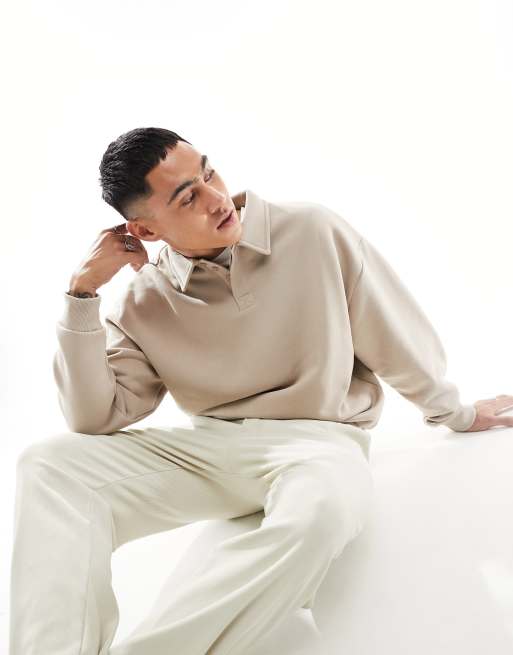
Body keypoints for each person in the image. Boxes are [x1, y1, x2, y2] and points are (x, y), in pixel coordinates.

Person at [9, 127, 513, 655]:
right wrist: (82, 294)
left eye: (208, 172)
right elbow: (94, 417)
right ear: (146, 230)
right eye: (188, 197)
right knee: (49, 466)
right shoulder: (144, 300)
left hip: (319, 441)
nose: (216, 198)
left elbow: (391, 334)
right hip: (213, 451)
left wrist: (454, 412)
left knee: (322, 510)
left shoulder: (311, 231)